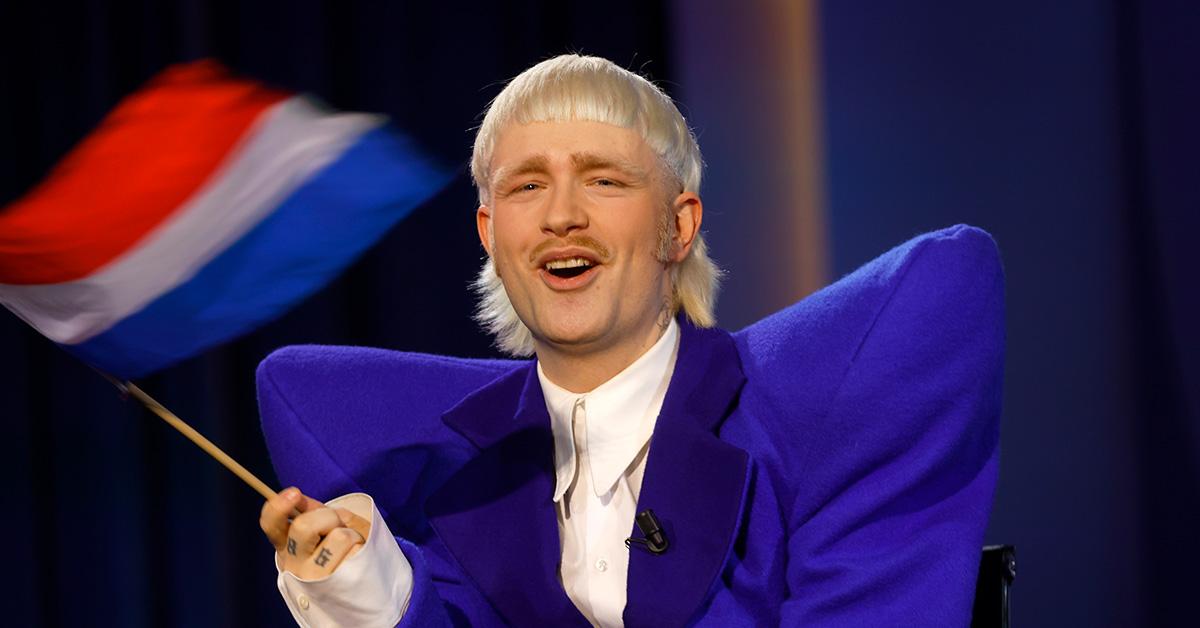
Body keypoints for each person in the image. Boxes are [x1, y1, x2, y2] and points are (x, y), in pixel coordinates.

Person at [257, 54, 1004, 627]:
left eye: (604, 180)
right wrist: (365, 594)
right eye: (525, 186)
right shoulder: (446, 481)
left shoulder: (807, 415)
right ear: (490, 235)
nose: (561, 216)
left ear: (678, 226)